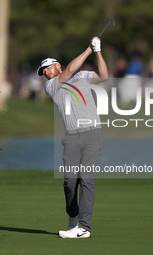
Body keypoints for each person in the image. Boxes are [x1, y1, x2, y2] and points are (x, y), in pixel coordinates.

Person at [37, 36, 108, 238]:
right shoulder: (51, 86)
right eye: (44, 72)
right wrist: (88, 49)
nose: (46, 73)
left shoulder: (83, 76)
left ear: (56, 65)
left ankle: (84, 227)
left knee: (87, 178)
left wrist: (98, 51)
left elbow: (104, 75)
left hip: (93, 133)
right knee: (70, 182)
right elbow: (68, 71)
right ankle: (73, 215)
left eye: (48, 68)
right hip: (71, 138)